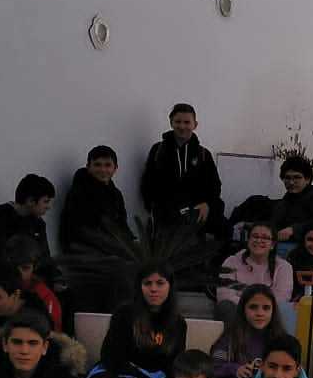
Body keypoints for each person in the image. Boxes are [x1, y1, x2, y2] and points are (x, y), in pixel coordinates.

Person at [140, 103, 223, 237]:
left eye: (187, 122)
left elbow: (215, 185)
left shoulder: (203, 154)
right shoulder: (158, 150)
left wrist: (207, 204)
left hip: (194, 221)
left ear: (195, 125)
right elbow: (148, 181)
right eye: (178, 122)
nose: (182, 126)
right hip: (164, 220)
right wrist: (152, 206)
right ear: (171, 123)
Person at [101, 264, 188, 378]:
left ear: (170, 286)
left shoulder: (178, 323)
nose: (153, 289)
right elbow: (110, 357)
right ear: (140, 287)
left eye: (160, 283)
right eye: (147, 283)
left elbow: (176, 365)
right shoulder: (124, 315)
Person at [0, 174, 56, 278]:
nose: (49, 207)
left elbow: (45, 256)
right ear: (30, 201)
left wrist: (56, 278)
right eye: (46, 201)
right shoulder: (0, 216)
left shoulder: (38, 224)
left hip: (25, 277)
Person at [219, 221, 295, 324]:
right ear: (248, 240)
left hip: (269, 316)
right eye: (255, 236)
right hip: (239, 314)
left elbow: (282, 298)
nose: (259, 240)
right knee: (225, 306)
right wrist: (251, 309)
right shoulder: (231, 261)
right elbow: (224, 294)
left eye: (265, 238)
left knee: (285, 309)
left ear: (272, 245)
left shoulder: (284, 267)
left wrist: (259, 310)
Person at [61, 145, 130, 254]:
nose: (103, 170)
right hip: (86, 256)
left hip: (113, 253)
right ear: (88, 167)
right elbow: (78, 231)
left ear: (115, 168)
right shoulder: (79, 192)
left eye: (107, 165)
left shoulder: (116, 194)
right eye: (97, 165)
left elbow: (122, 225)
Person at [212, 284, 282, 378]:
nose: (260, 313)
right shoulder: (230, 338)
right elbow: (214, 366)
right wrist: (235, 369)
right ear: (243, 310)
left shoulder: (281, 340)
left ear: (273, 311)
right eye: (253, 307)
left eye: (266, 308)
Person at [263, 156, 313, 248]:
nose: (291, 182)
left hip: (308, 248)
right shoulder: (286, 200)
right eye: (287, 178)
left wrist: (294, 230)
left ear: (307, 180)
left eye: (297, 177)